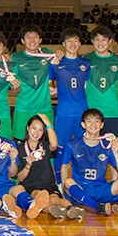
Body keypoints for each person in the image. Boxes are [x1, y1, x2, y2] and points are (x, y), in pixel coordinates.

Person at [61, 109, 118, 216]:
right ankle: (97, 207)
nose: (93, 124)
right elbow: (64, 167)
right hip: (80, 189)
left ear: (102, 125)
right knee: (68, 182)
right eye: (89, 121)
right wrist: (64, 190)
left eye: (97, 121)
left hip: (100, 189)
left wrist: (115, 153)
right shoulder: (73, 144)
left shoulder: (107, 145)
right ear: (83, 125)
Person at [16, 114, 86, 219]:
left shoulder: (45, 145)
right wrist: (28, 165)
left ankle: (71, 209)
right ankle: (52, 209)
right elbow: (19, 178)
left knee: (55, 198)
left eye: (40, 130)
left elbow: (54, 145)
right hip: (30, 186)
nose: (36, 133)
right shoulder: (19, 147)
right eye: (34, 128)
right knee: (38, 195)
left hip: (48, 183)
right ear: (28, 128)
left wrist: (48, 124)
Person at [49, 27, 90, 184]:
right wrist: (53, 90)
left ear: (79, 43)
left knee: (82, 149)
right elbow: (46, 85)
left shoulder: (86, 63)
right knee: (61, 149)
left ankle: (81, 182)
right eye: (69, 40)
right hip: (64, 113)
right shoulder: (56, 63)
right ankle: (59, 183)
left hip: (82, 112)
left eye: (75, 40)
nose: (72, 44)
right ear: (63, 43)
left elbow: (86, 86)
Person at [11, 24, 59, 140]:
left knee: (46, 144)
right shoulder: (15, 57)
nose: (32, 40)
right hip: (23, 108)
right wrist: (16, 87)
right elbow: (14, 89)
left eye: (35, 36)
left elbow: (62, 71)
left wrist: (59, 89)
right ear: (22, 40)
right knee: (20, 143)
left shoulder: (48, 54)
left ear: (40, 40)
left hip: (44, 108)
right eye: (28, 37)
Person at [83, 25, 118, 141]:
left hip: (113, 112)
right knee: (92, 148)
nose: (100, 43)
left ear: (110, 41)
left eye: (104, 40)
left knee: (114, 148)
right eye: (97, 40)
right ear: (92, 41)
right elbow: (79, 83)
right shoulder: (86, 60)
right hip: (92, 114)